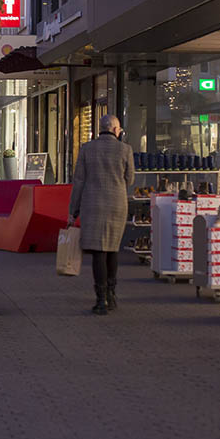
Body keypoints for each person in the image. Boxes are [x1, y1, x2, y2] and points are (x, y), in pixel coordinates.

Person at [68, 114, 135, 316]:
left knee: (98, 251)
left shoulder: (87, 149)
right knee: (112, 249)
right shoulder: (125, 150)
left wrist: (73, 210)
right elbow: (130, 179)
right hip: (117, 205)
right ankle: (112, 295)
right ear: (116, 130)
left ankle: (100, 299)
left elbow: (79, 181)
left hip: (92, 205)